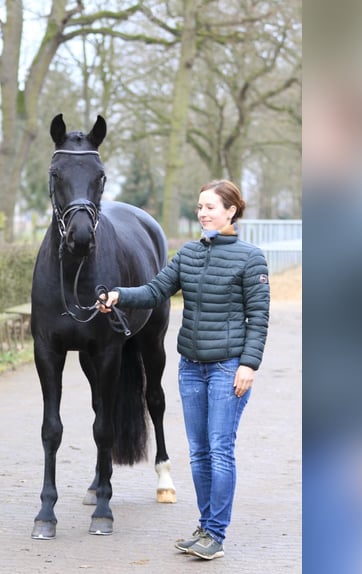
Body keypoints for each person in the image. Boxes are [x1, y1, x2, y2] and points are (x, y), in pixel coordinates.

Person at [97, 179, 270, 560]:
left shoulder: (251, 258)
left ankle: (216, 535)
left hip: (228, 369)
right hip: (191, 368)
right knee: (199, 454)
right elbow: (155, 291)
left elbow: (258, 318)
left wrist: (249, 365)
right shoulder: (189, 255)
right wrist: (119, 295)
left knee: (220, 451)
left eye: (210, 207)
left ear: (231, 211)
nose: (203, 213)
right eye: (199, 207)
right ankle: (205, 527)